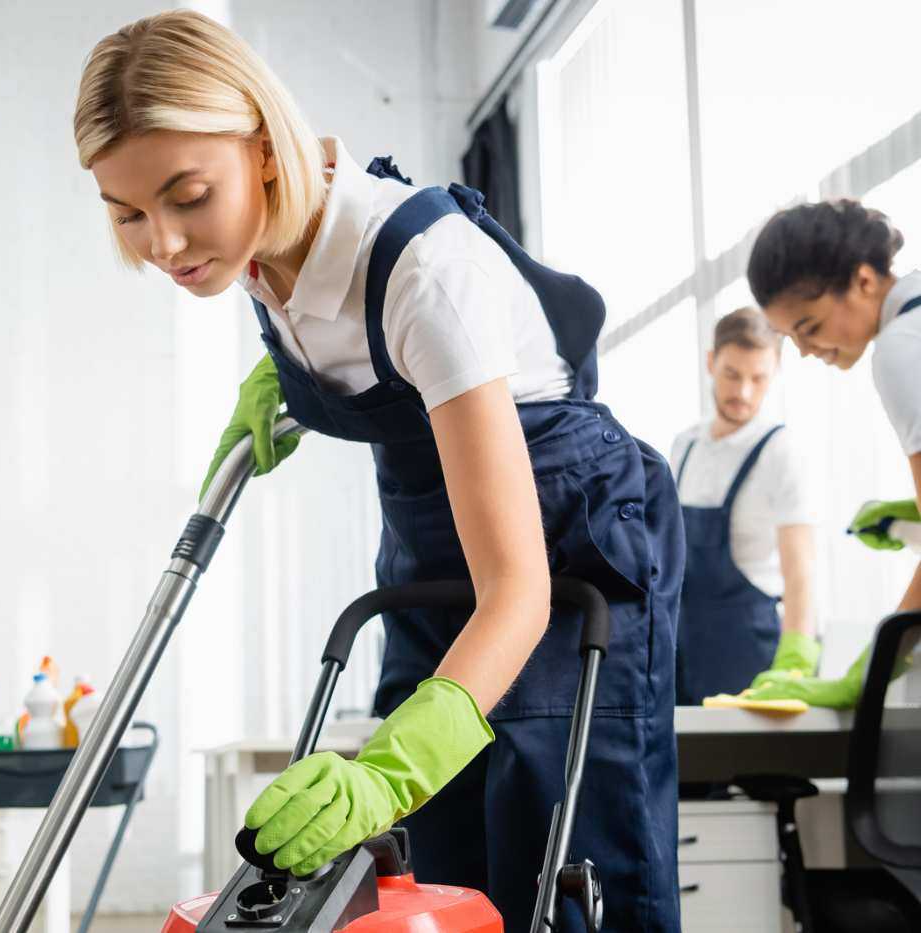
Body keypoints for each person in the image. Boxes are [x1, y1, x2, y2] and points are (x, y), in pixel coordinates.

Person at [72, 12, 685, 931]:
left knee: (558, 852)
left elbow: (514, 591)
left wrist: (388, 768)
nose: (162, 242)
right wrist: (278, 380)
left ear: (266, 151)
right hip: (432, 540)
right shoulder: (248, 248)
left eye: (187, 196)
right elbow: (341, 330)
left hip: (561, 534)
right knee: (437, 870)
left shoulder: (425, 270)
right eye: (128, 213)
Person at [746, 200, 919, 708]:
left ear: (864, 281)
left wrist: (874, 667)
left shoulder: (901, 348)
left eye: (810, 326)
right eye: (790, 337)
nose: (803, 350)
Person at [670, 307, 818, 704]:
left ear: (775, 372)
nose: (744, 392)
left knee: (757, 765)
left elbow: (799, 569)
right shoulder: (685, 446)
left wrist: (796, 655)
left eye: (759, 378)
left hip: (750, 648)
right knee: (691, 764)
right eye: (733, 375)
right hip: (685, 643)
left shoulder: (780, 451)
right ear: (711, 362)